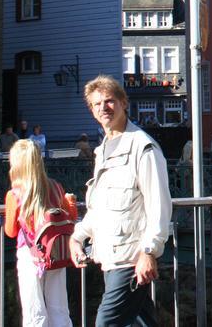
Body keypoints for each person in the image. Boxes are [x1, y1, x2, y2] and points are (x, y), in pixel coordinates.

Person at [70, 76, 172, 327]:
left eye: (109, 101)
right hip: (109, 255)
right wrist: (77, 236)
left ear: (123, 102)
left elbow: (159, 203)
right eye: (96, 104)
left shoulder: (142, 147)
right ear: (91, 110)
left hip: (130, 258)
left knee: (106, 322)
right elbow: (100, 206)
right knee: (142, 321)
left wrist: (149, 251)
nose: (103, 108)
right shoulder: (103, 149)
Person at [4, 139, 77, 327]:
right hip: (56, 253)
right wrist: (70, 203)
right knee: (59, 307)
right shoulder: (56, 187)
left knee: (34, 310)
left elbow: (11, 232)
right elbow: (69, 219)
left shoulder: (15, 195)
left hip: (30, 256)